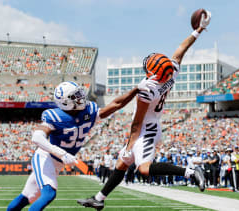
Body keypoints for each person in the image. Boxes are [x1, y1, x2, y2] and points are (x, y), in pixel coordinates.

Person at [77, 10, 211, 210]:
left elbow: (137, 122)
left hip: (146, 130)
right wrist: (199, 30)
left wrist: (131, 143)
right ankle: (99, 198)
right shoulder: (171, 72)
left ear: (152, 72)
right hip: (151, 123)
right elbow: (181, 50)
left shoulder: (148, 89)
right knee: (122, 164)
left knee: (144, 169)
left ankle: (191, 172)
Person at [6, 80, 156, 211]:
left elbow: (116, 104)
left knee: (28, 196)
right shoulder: (55, 116)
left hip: (57, 162)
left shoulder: (88, 110)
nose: (80, 98)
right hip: (45, 157)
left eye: (79, 94)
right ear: (64, 102)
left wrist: (136, 89)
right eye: (74, 96)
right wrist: (61, 153)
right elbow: (37, 137)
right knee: (49, 194)